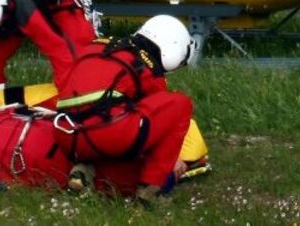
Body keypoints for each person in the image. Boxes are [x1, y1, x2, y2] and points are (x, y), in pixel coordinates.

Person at [55, 14, 195, 203]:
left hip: (65, 134)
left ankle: (84, 167)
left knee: (99, 112)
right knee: (180, 104)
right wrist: (173, 160)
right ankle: (150, 192)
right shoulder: (146, 66)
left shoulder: (99, 46)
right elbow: (157, 124)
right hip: (106, 134)